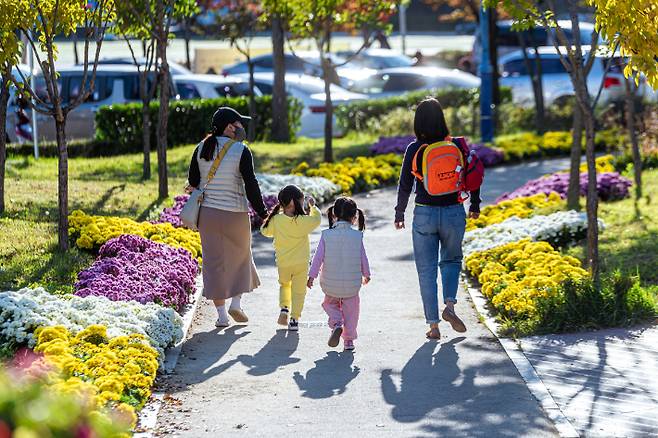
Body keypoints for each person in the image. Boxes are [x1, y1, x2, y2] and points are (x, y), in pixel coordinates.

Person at [394, 97, 482, 340]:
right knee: (452, 260)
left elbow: (405, 185)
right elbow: (473, 176)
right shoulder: (455, 145)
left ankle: (433, 326)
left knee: (426, 270)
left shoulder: (415, 149)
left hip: (424, 213)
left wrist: (399, 212)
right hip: (454, 211)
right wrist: (474, 204)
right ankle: (450, 307)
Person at [187, 106, 268, 328]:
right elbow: (251, 184)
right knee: (241, 258)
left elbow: (194, 180)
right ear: (230, 127)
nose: (242, 127)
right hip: (235, 213)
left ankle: (222, 316)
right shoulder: (241, 150)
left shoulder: (201, 148)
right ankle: (236, 303)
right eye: (239, 124)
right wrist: (262, 212)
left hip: (208, 215)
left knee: (214, 263)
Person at [307, 197, 370, 352]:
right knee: (352, 313)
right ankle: (348, 341)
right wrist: (366, 274)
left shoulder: (326, 235)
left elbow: (318, 258)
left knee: (329, 304)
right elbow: (363, 257)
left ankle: (336, 323)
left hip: (330, 285)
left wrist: (311, 276)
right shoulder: (357, 237)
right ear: (354, 217)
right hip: (351, 287)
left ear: (333, 215)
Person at [261, 185, 322, 331]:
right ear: (295, 203)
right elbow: (317, 220)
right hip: (301, 263)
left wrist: (271, 218)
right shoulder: (303, 221)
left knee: (284, 285)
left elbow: (264, 231)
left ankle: (284, 309)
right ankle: (294, 319)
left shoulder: (277, 220)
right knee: (299, 291)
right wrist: (313, 207)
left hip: (283, 263)